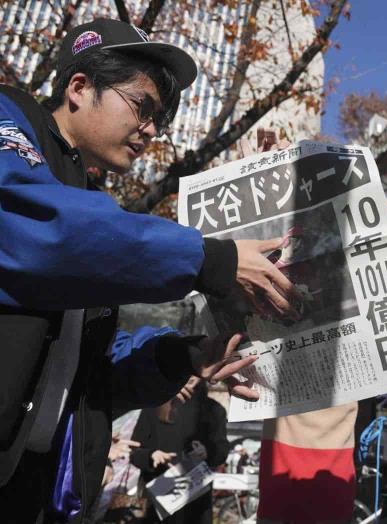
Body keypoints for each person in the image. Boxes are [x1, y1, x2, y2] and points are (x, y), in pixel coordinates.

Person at [0, 18, 299, 523]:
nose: (153, 131)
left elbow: (89, 366)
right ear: (79, 87)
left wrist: (179, 358)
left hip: (37, 488)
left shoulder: (95, 206)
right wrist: (214, 258)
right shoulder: (9, 118)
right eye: (143, 107)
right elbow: (34, 224)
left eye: (160, 117)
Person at [130, 376, 229, 524]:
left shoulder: (213, 409)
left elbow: (222, 451)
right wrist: (152, 455)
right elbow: (135, 452)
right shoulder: (154, 407)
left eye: (194, 371)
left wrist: (206, 451)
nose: (190, 376)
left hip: (196, 503)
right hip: (158, 501)